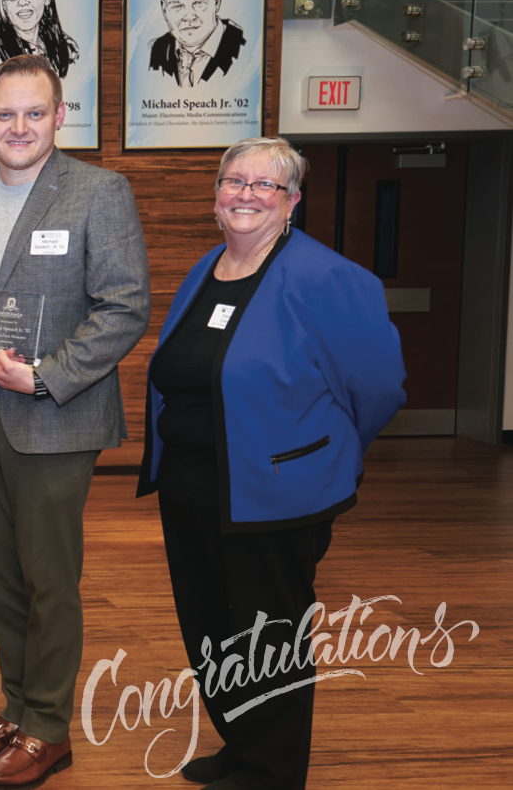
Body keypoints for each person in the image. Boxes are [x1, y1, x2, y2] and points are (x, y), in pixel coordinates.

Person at [137, 137, 405, 790]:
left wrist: (324, 453)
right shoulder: (209, 268)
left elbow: (378, 388)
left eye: (267, 186)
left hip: (277, 492)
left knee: (267, 640)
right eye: (236, 182)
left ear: (293, 203)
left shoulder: (327, 278)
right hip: (195, 487)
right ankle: (241, 744)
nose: (248, 195)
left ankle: (271, 770)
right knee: (213, 633)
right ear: (217, 195)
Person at [0, 53, 150, 788]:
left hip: (55, 419)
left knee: (48, 577)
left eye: (34, 113)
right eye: (4, 114)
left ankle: (49, 728)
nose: (18, 126)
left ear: (61, 117)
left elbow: (125, 306)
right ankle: (17, 707)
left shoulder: (99, 191)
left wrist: (49, 375)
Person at [148, 0, 245, 88]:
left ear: (216, 1)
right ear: (164, 10)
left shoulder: (244, 49)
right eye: (177, 6)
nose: (189, 16)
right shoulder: (153, 51)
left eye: (199, 3)